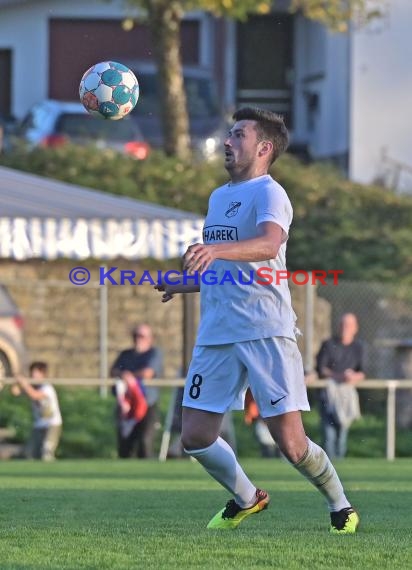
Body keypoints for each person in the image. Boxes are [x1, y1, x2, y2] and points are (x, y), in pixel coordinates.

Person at [155, 106, 359, 534]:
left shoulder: (270, 193)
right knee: (194, 436)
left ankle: (340, 506)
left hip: (265, 329)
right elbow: (228, 270)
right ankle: (248, 497)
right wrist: (186, 283)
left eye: (238, 135)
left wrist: (213, 252)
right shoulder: (218, 197)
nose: (227, 142)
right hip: (217, 332)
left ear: (263, 147)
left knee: (292, 444)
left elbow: (268, 245)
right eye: (229, 135)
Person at [316, 313, 365, 459]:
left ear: (355, 328)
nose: (345, 328)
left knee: (342, 436)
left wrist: (352, 377)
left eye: (349, 325)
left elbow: (362, 372)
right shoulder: (328, 344)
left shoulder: (359, 347)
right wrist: (338, 376)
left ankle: (340, 464)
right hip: (329, 395)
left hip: (346, 396)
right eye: (343, 324)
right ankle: (327, 466)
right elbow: (321, 368)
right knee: (329, 434)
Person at [110, 324, 163, 458]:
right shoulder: (126, 354)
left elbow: (148, 372)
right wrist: (124, 375)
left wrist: (130, 376)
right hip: (127, 406)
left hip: (147, 404)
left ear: (150, 339)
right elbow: (114, 370)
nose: (138, 339)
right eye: (135, 336)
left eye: (142, 336)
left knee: (145, 441)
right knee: (125, 444)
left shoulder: (154, 353)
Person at [13, 361, 62, 461]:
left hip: (52, 424)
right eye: (32, 373)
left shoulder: (47, 387)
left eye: (36, 373)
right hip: (39, 425)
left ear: (43, 374)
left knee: (47, 450)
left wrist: (24, 384)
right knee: (29, 453)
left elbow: (35, 395)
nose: (33, 375)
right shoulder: (32, 386)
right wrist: (17, 382)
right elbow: (15, 392)